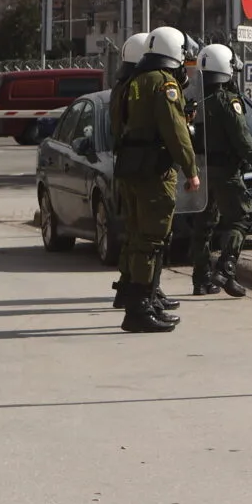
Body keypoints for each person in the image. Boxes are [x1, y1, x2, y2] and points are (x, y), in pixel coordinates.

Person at [111, 26, 198, 332]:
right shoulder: (164, 83)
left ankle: (140, 301)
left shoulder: (131, 82)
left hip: (130, 167)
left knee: (138, 237)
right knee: (152, 239)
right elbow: (175, 131)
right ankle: (139, 309)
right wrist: (191, 170)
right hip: (154, 172)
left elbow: (117, 127)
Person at [189, 45, 252, 297]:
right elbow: (242, 138)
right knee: (241, 217)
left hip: (200, 170)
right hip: (225, 172)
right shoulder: (226, 101)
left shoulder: (193, 99)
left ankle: (201, 280)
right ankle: (226, 269)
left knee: (204, 224)